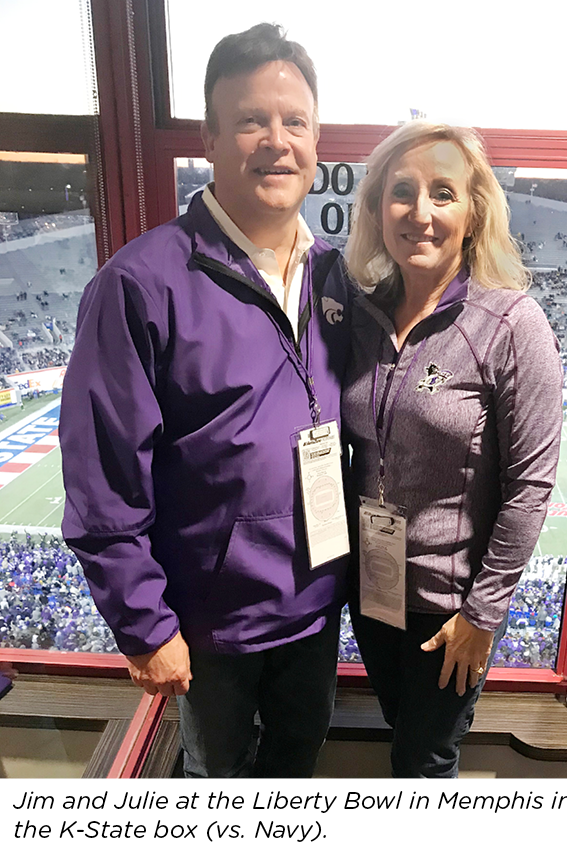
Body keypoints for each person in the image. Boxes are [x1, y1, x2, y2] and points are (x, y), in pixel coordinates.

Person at [60, 23, 352, 778]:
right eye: (253, 120)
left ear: (318, 141)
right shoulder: (139, 284)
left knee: (291, 785)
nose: (276, 142)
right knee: (215, 795)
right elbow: (101, 480)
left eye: (296, 123)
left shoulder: (337, 281)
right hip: (209, 629)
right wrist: (143, 625)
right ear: (212, 136)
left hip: (317, 612)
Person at [342, 121, 562, 778]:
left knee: (423, 760)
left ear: (472, 214)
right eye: (402, 191)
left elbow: (531, 486)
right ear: (378, 209)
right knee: (400, 732)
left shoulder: (511, 323)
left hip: (449, 607)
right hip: (374, 587)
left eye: (443, 193)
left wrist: (483, 613)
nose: (421, 212)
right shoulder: (360, 312)